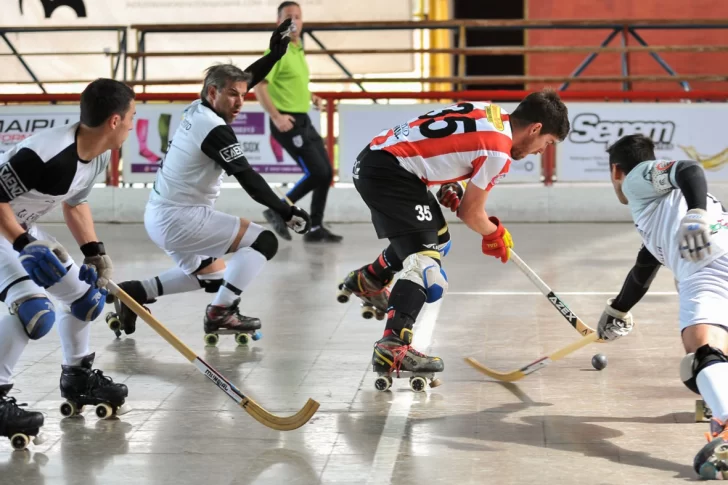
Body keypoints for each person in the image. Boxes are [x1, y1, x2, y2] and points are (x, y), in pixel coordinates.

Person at [337, 90, 570, 390]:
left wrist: (451, 184)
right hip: (392, 174)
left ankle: (371, 278)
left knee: (439, 239)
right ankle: (393, 345)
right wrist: (494, 233)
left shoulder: (489, 112)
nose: (542, 151)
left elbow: (440, 142)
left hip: (381, 162)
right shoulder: (500, 151)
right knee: (427, 267)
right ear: (536, 128)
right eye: (547, 143)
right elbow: (472, 214)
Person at [107, 20, 311, 342]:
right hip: (181, 218)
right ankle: (221, 313)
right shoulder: (214, 129)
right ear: (213, 92)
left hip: (160, 214)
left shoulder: (200, 108)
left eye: (244, 95)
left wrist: (274, 54)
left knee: (215, 280)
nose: (241, 102)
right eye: (233, 95)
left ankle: (135, 292)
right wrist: (286, 211)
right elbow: (248, 178)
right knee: (264, 242)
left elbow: (242, 80)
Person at [0, 78, 133, 448]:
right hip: (8, 230)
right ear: (113, 121)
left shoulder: (99, 153)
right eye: (131, 117)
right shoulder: (44, 153)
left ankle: (77, 377)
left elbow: (75, 203)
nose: (133, 125)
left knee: (85, 299)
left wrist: (94, 251)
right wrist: (24, 244)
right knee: (34, 310)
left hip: (19, 229)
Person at [598, 134, 728, 479]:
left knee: (703, 353)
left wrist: (697, 213)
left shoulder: (637, 177)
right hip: (716, 260)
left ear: (615, 171)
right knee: (709, 364)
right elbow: (644, 267)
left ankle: (726, 426)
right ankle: (720, 407)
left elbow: (688, 167)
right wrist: (618, 310)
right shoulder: (661, 213)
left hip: (708, 268)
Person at [254, 1, 342, 243]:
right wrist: (276, 116)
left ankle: (315, 229)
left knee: (325, 174)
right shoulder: (276, 52)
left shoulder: (298, 49)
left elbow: (293, 83)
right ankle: (279, 209)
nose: (294, 21)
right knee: (317, 171)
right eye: (288, 17)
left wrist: (310, 96)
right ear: (279, 23)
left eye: (298, 16)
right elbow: (259, 86)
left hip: (303, 118)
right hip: (286, 120)